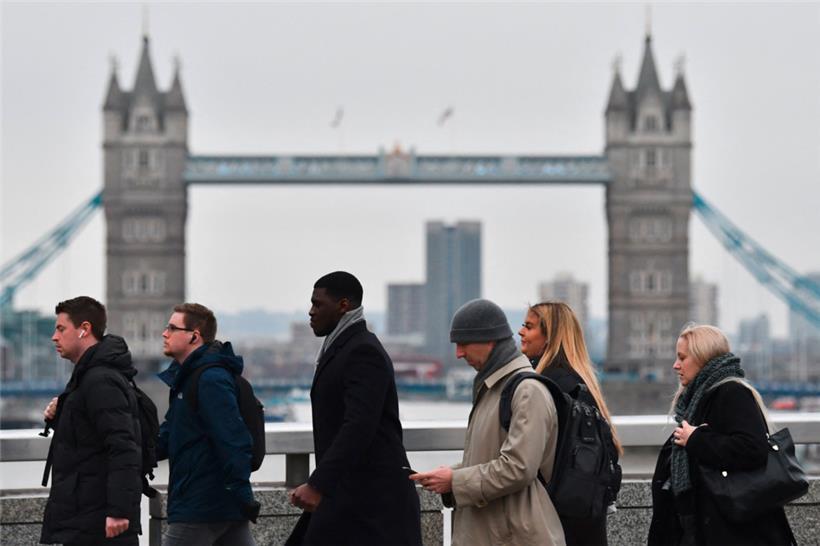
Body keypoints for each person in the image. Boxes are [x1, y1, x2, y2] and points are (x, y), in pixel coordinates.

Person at [411, 298, 565, 546]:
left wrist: (455, 480)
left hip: (512, 536)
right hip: (493, 533)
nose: (458, 354)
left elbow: (518, 467)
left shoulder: (527, 390)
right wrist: (451, 475)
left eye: (463, 344)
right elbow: (491, 458)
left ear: (490, 340)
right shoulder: (495, 387)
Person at [286, 271, 422, 545]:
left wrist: (317, 484)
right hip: (349, 495)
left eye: (318, 304)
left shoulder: (362, 351)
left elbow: (359, 426)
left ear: (344, 305)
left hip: (372, 503)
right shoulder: (342, 347)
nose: (311, 312)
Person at [647, 324, 796, 545]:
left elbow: (752, 449)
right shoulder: (699, 397)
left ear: (702, 358)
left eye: (682, 358)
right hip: (703, 527)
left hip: (730, 531)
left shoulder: (732, 393)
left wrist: (696, 439)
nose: (675, 365)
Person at [518, 301, 622, 545]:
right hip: (582, 519)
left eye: (529, 326)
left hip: (559, 522)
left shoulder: (551, 386)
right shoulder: (577, 382)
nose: (521, 332)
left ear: (549, 337)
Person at [40, 296, 141, 546]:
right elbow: (87, 439)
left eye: (61, 328)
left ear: (84, 329)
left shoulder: (99, 380)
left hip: (99, 525)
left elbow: (123, 447)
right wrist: (59, 416)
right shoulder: (88, 376)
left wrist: (118, 511)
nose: (54, 336)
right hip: (86, 519)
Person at [157, 303, 260, 546]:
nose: (164, 333)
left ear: (194, 336)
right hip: (218, 504)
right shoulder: (188, 377)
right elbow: (168, 435)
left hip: (201, 505)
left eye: (172, 327)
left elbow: (232, 438)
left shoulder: (209, 379)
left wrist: (241, 492)